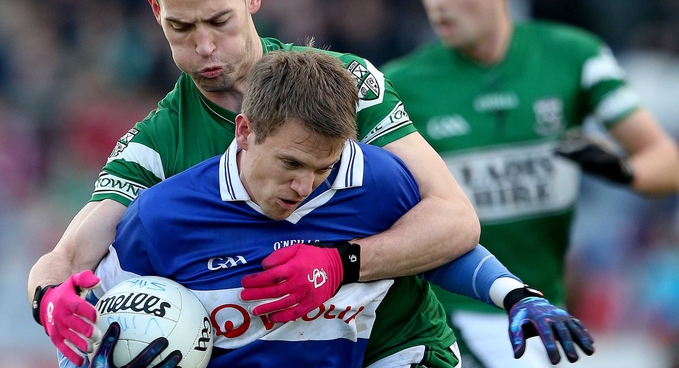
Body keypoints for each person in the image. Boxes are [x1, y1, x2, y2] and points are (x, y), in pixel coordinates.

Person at [27, 0, 481, 366]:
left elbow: (455, 220)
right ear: (155, 12)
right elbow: (65, 258)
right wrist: (49, 299)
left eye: (219, 20)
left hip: (397, 349)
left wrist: (343, 263)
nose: (204, 46)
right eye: (181, 27)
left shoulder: (346, 85)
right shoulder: (155, 147)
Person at [79, 50, 592, 368]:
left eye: (323, 168)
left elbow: (443, 244)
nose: (305, 186)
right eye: (291, 163)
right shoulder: (162, 218)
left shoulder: (375, 181)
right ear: (245, 131)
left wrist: (516, 295)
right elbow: (90, 321)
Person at [381, 0, 679, 367]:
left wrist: (622, 170)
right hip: (447, 319)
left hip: (543, 315)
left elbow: (666, 162)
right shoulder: (398, 84)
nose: (436, 1)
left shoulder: (575, 56)